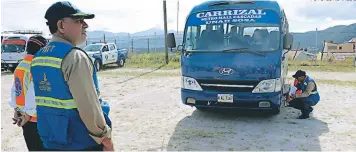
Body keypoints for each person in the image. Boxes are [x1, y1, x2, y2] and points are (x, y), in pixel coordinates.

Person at [30, 1, 113, 151]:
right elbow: (89, 107)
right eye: (79, 20)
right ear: (61, 25)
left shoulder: (38, 57)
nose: (85, 25)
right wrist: (104, 137)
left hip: (51, 140)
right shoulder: (74, 57)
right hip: (80, 142)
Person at [9, 35, 48, 151]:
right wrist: (28, 114)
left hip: (23, 117)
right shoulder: (37, 65)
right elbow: (33, 91)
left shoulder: (20, 66)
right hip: (34, 117)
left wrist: (16, 110)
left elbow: (15, 90)